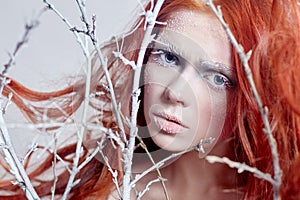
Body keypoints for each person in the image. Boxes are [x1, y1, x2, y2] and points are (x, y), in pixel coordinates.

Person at [0, 0, 300, 199]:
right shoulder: (104, 185)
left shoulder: (275, 192)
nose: (175, 93)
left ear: (255, 96)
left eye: (217, 78)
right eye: (168, 57)